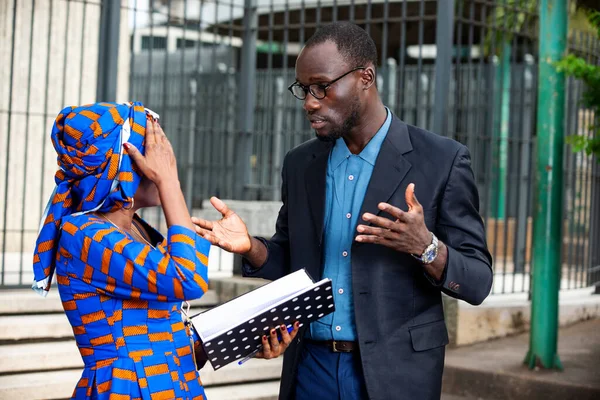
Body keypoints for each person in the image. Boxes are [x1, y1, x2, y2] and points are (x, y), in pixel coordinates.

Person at [193, 22, 493, 400]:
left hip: (395, 375)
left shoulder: (442, 160)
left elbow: (479, 280)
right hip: (310, 368)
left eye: (322, 86)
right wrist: (251, 247)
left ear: (365, 77)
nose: (309, 102)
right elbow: (293, 260)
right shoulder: (301, 164)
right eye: (303, 89)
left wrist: (427, 246)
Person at [32, 102, 214, 399]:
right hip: (126, 389)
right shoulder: (84, 236)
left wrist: (234, 339)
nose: (166, 162)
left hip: (172, 386)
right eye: (154, 153)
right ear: (123, 164)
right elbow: (187, 279)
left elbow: (156, 329)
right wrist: (169, 182)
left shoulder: (138, 231)